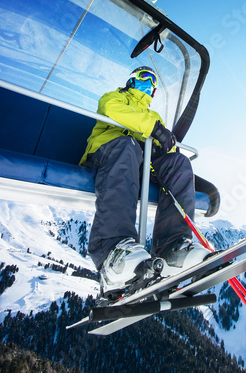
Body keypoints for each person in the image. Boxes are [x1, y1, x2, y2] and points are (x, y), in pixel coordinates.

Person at [80, 66, 209, 297]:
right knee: (127, 147)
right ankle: (112, 252)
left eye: (153, 81)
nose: (148, 83)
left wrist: (161, 152)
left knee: (178, 162)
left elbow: (158, 149)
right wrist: (153, 130)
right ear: (131, 80)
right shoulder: (115, 97)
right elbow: (113, 110)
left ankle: (171, 248)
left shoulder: (154, 117)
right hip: (107, 153)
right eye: (143, 77)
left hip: (137, 162)